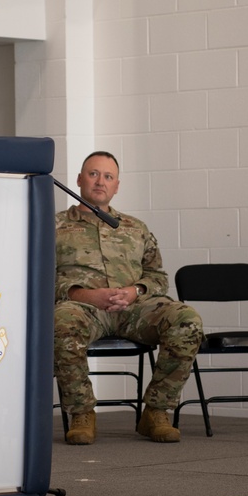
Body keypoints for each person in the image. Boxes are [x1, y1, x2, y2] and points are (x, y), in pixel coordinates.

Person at [54, 151, 203, 444]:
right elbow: (37, 277)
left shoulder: (135, 228)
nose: (100, 182)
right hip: (83, 308)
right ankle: (82, 414)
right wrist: (86, 295)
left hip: (134, 309)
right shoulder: (54, 226)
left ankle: (156, 412)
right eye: (93, 174)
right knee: (61, 322)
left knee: (187, 320)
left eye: (108, 176)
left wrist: (135, 291)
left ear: (117, 185)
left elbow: (158, 277)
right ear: (79, 179)